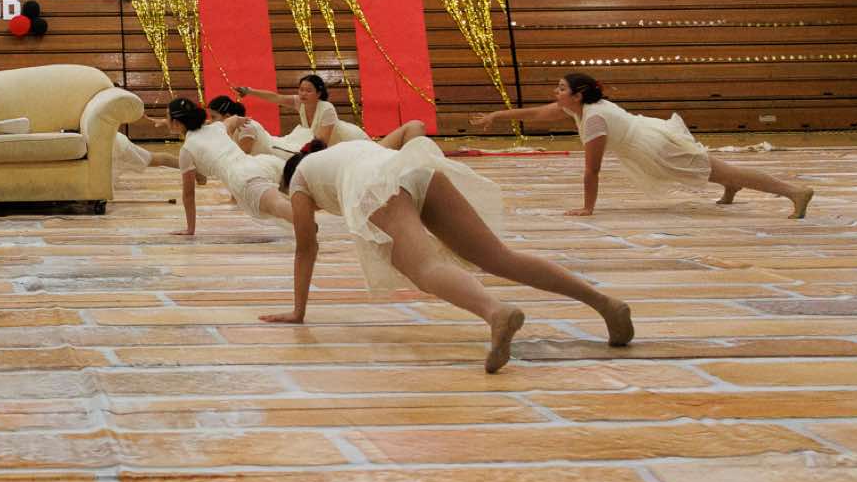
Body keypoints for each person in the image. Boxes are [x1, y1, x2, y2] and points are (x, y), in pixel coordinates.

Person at [267, 139, 635, 374]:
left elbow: (306, 245)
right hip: (414, 168)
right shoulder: (344, 149)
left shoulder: (299, 179)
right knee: (499, 256)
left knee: (426, 268)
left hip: (374, 186)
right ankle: (605, 304)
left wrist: (298, 311)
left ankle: (495, 311)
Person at [470, 71, 814, 218]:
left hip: (658, 146)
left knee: (723, 170)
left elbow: (592, 170)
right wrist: (497, 116)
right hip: (649, 137)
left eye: (561, 89)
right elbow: (538, 114)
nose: (555, 93)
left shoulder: (594, 118)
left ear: (577, 95)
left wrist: (588, 208)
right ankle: (730, 186)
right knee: (715, 170)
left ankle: (794, 192)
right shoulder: (580, 108)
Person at [168, 96, 293, 234]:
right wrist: (242, 120)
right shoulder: (217, 127)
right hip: (260, 164)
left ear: (176, 122)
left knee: (277, 205)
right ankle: (305, 219)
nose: (166, 121)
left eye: (167, 117)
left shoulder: (186, 150)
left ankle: (306, 223)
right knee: (283, 201)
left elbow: (189, 195)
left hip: (241, 178)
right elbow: (233, 119)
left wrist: (190, 229)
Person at [236, 74, 427, 149]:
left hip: (353, 142)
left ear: (319, 93)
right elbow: (275, 97)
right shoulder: (299, 102)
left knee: (382, 155)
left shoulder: (326, 108)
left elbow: (321, 142)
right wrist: (250, 91)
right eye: (301, 90)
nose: (303, 94)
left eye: (308, 91)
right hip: (336, 148)